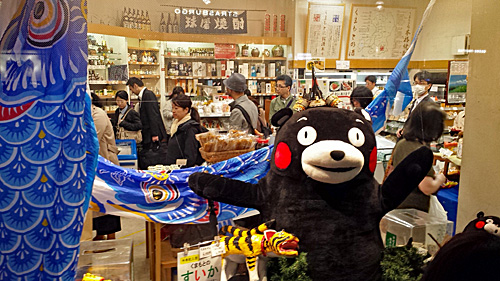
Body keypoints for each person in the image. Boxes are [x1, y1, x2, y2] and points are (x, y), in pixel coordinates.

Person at [390, 102, 447, 212]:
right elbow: (426, 187)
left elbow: (391, 172)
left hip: (395, 206)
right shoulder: (422, 151)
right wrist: (440, 179)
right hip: (414, 211)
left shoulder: (402, 144)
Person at [90, 93, 121, 240]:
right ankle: (100, 236)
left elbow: (92, 139)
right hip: (98, 165)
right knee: (99, 203)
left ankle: (109, 237)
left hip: (106, 165)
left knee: (107, 203)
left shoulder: (99, 115)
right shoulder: (90, 114)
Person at [165, 94, 207, 167]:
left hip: (183, 171)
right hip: (174, 168)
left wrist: (179, 165)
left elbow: (190, 157)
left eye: (176, 108)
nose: (173, 111)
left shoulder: (190, 128)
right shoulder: (176, 125)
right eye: (172, 108)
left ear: (186, 110)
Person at [126, 77, 168, 148]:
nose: (132, 92)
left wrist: (154, 134)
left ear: (135, 86)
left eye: (131, 89)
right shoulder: (143, 96)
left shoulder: (148, 95)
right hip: (148, 133)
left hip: (152, 134)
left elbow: (153, 115)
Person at [397, 71, 435, 138]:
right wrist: (404, 130)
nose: (418, 86)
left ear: (429, 86)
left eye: (421, 83)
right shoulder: (415, 101)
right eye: (416, 83)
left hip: (418, 142)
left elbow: (428, 128)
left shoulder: (430, 104)